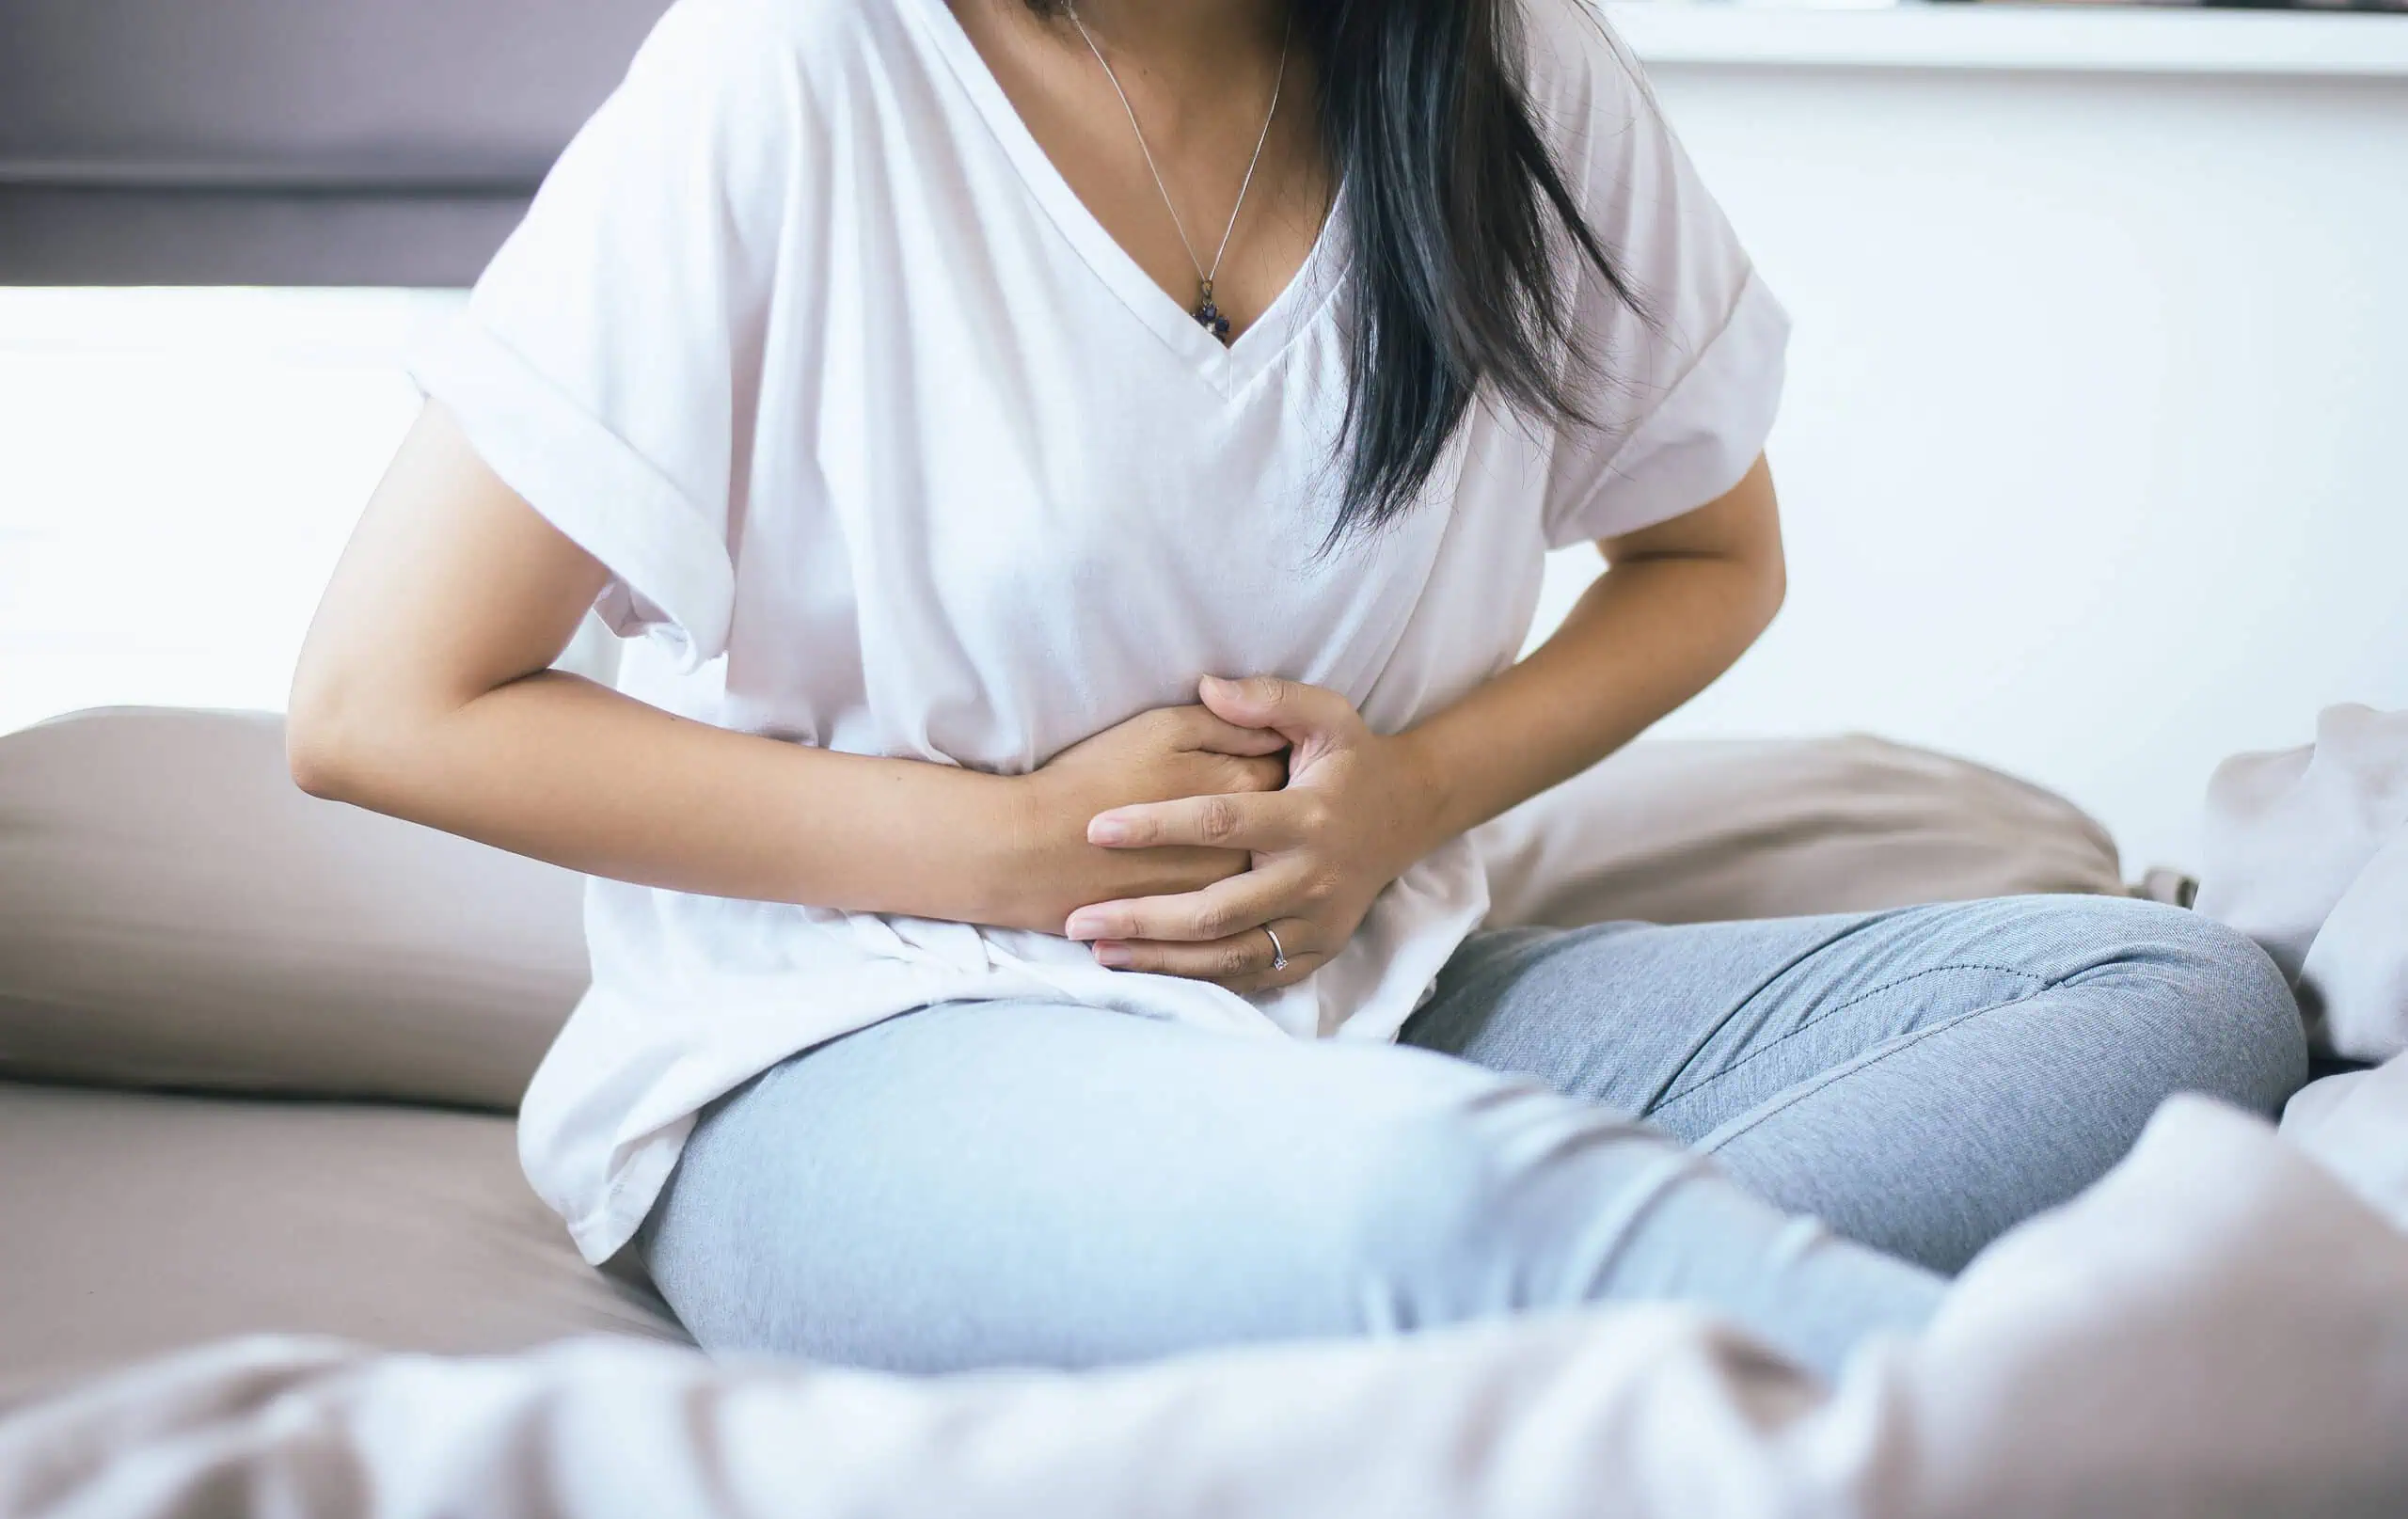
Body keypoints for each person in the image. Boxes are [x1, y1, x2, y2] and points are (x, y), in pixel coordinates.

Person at [288, 0, 2306, 1380]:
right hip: (858, 1043)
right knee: (1427, 1197)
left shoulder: (1499, 66)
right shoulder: (797, 64)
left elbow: (1711, 557)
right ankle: (2016, 1434)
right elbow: (384, 698)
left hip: (1374, 1018)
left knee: (2167, 994)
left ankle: (1497, 1381)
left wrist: (1407, 798)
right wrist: (1001, 848)